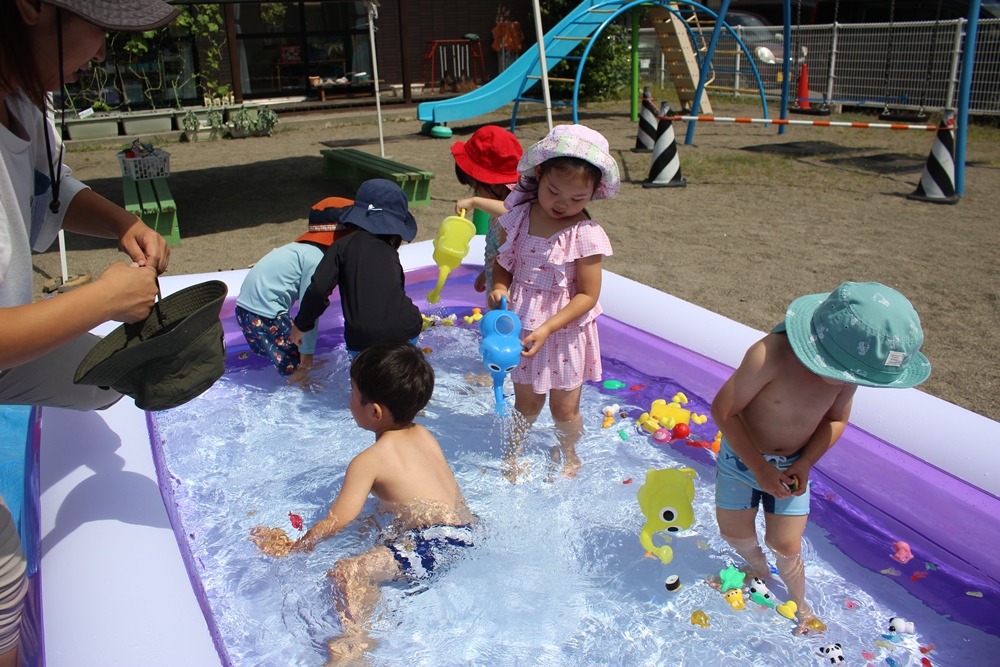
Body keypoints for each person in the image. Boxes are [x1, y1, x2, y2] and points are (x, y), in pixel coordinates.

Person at [0, 1, 177, 665]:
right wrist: (100, 298)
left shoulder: (23, 98)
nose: (103, 51)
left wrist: (122, 224)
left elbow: (53, 188)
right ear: (32, 8)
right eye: (100, 28)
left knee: (112, 375)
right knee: (5, 571)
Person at [710, 281, 931, 631]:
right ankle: (757, 568)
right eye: (846, 374)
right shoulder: (770, 355)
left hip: (793, 466)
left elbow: (835, 419)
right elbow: (724, 410)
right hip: (742, 459)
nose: (849, 381)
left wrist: (805, 463)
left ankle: (801, 604)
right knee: (733, 531)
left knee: (784, 543)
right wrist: (759, 468)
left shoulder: (848, 372)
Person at [249, 341, 477, 662]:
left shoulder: (369, 461)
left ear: (374, 412)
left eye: (353, 393)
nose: (349, 401)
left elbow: (337, 520)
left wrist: (298, 547)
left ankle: (355, 644)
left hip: (432, 542)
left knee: (347, 573)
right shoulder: (424, 435)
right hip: (466, 532)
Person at [488, 124, 619, 478]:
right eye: (554, 192)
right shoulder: (520, 217)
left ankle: (568, 452)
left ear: (594, 192)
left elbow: (588, 295)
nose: (563, 204)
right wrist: (499, 287)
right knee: (526, 403)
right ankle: (514, 451)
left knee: (565, 408)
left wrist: (547, 327)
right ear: (539, 174)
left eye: (578, 199)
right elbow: (504, 264)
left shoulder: (585, 234)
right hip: (522, 327)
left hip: (564, 333)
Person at [291, 179, 422, 359]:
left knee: (367, 377)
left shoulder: (341, 246)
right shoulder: (389, 251)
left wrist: (301, 325)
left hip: (363, 339)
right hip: (407, 327)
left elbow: (318, 289)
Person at [235, 197, 353, 383]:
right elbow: (310, 306)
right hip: (267, 315)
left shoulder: (299, 249)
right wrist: (307, 353)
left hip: (245, 311)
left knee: (289, 359)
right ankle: (299, 388)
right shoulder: (317, 259)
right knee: (298, 369)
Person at [450, 124, 522, 300]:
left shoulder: (518, 204)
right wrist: (487, 271)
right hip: (496, 279)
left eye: (476, 187)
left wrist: (475, 202)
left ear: (492, 182)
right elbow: (497, 250)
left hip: (511, 290)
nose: (476, 193)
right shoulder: (499, 205)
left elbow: (512, 213)